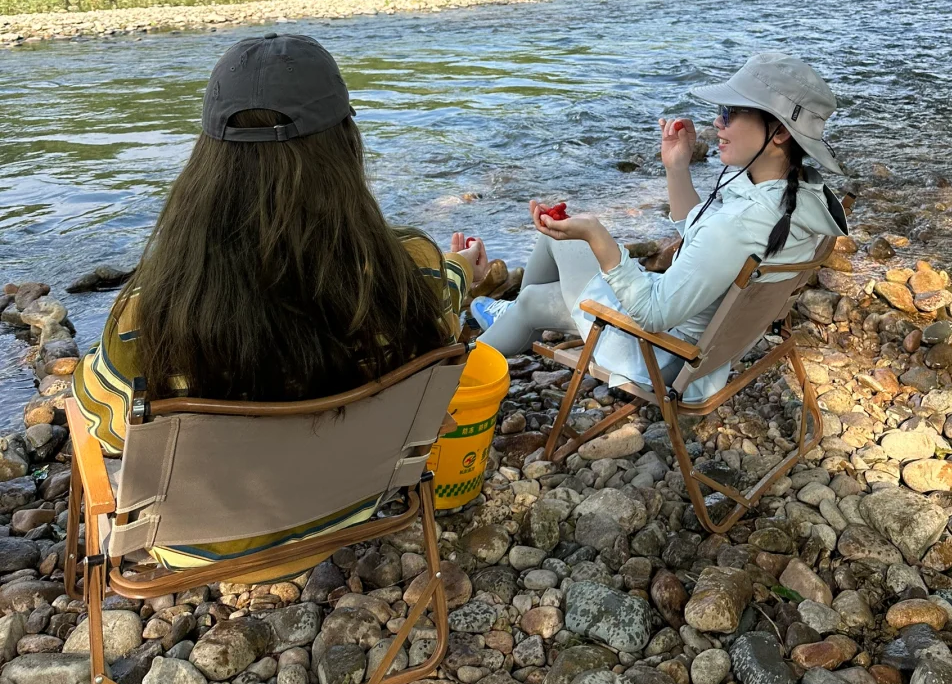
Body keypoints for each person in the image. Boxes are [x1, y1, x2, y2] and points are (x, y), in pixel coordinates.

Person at [73, 31, 489, 570]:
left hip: (199, 545)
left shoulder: (151, 314)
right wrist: (463, 270)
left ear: (207, 160)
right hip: (354, 507)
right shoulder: (411, 268)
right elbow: (446, 301)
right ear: (345, 143)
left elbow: (105, 429)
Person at [471, 51, 848, 401]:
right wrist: (677, 167)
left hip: (658, 356)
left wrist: (596, 235)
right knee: (539, 288)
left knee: (551, 264)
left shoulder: (739, 223)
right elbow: (706, 243)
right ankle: (514, 314)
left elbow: (651, 314)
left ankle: (464, 373)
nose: (717, 121)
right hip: (701, 350)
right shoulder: (797, 200)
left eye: (730, 112)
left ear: (779, 132)